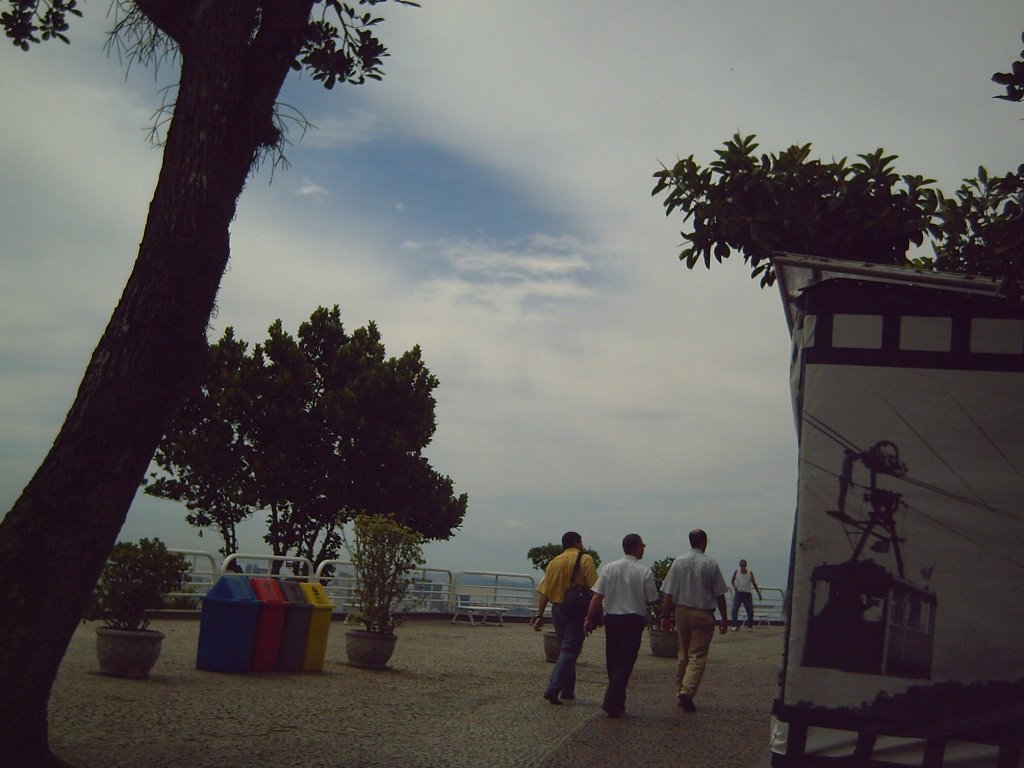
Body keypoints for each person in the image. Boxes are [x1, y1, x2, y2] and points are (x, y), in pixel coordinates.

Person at [584, 533, 659, 718]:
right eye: (642, 545)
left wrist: (589, 618)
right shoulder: (644, 571)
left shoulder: (609, 568)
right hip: (633, 620)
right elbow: (652, 599)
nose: (644, 548)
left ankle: (618, 701)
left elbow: (597, 596)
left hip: (613, 619)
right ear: (636, 547)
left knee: (613, 660)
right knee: (626, 661)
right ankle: (612, 700)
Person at [659, 528, 729, 713]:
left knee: (683, 652)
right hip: (703, 613)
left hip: (681, 611)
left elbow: (669, 592)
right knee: (697, 655)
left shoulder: (679, 562)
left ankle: (680, 690)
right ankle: (687, 690)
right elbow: (720, 594)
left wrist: (665, 615)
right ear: (704, 541)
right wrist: (724, 618)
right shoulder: (710, 564)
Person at [533, 531, 598, 705]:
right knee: (569, 651)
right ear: (577, 542)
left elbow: (544, 591)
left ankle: (568, 690)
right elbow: (594, 589)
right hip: (576, 610)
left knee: (567, 649)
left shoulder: (554, 562)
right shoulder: (585, 559)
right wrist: (596, 614)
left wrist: (539, 615)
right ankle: (553, 689)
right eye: (581, 541)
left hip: (557, 610)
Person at [730, 558, 763, 631]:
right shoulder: (736, 572)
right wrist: (735, 587)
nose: (742, 567)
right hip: (738, 593)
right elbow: (732, 581)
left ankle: (750, 626)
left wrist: (759, 594)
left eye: (744, 566)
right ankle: (735, 625)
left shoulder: (750, 573)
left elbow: (754, 583)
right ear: (740, 566)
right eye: (741, 566)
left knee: (750, 610)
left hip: (747, 594)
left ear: (746, 566)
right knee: (735, 609)